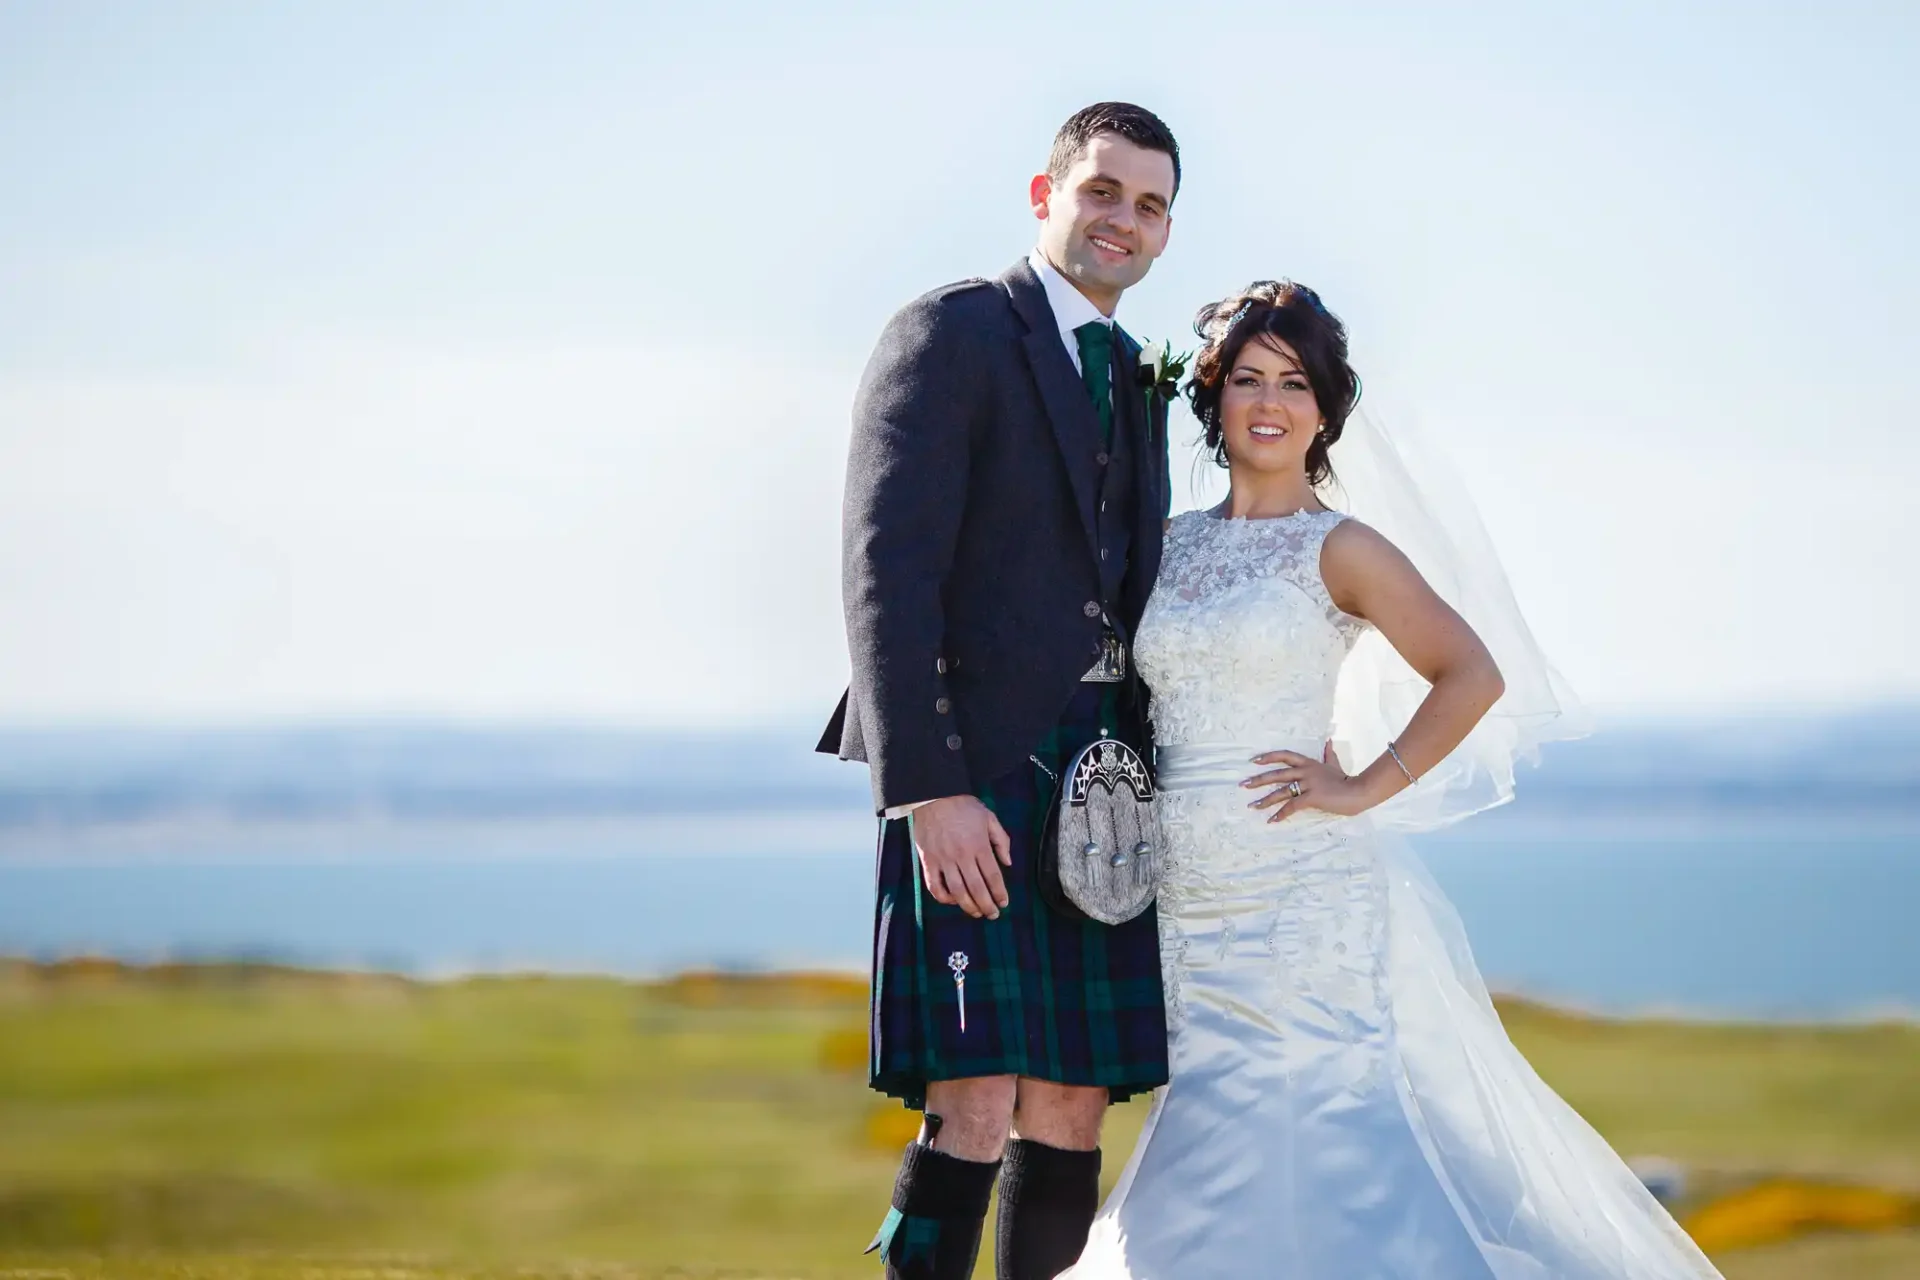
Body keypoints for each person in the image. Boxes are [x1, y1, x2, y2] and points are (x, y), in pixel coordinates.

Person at [1059, 282, 1724, 1278]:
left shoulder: (1344, 547)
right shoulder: (1172, 541)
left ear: (1326, 406)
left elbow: (1473, 670)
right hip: (1186, 901)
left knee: (1321, 1135)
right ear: (1215, 396)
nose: (1269, 400)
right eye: (1246, 378)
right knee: (1203, 1120)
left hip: (1301, 900)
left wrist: (1364, 784)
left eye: (1293, 381)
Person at [817, 103, 1181, 1280]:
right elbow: (887, 570)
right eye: (1102, 191)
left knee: (1074, 1107)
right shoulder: (954, 331)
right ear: (1045, 193)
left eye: (1150, 204)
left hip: (1100, 780)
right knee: (971, 1102)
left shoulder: (1136, 374)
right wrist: (928, 791)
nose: (1123, 220)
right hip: (976, 769)